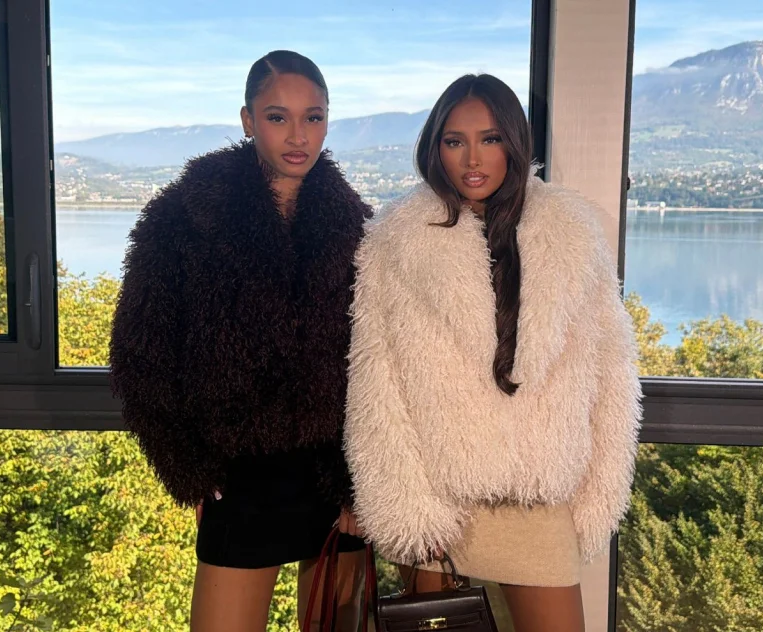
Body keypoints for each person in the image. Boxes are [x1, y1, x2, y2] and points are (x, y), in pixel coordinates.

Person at [341, 74, 642, 632]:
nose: (472, 159)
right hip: (440, 505)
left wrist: (599, 489)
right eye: (455, 141)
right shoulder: (395, 240)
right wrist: (407, 505)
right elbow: (375, 386)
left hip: (538, 499)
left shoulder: (570, 234)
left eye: (490, 138)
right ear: (435, 148)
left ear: (515, 143)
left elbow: (611, 371)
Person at [109, 50, 371, 632]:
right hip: (240, 476)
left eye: (314, 117)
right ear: (249, 120)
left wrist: (364, 481)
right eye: (278, 117)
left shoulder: (356, 226)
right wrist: (189, 466)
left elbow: (377, 361)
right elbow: (140, 356)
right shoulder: (181, 219)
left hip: (337, 475)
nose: (298, 136)